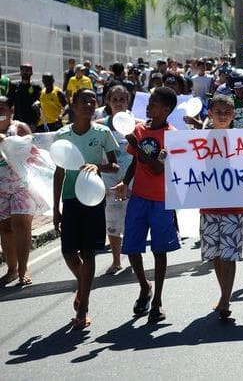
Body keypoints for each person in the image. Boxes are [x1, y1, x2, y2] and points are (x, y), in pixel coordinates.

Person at [53, 89, 119, 330]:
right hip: (70, 200)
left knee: (89, 252)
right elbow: (59, 173)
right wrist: (56, 209)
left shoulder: (103, 132)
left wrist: (97, 165)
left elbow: (113, 165)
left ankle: (83, 307)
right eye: (84, 100)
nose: (89, 104)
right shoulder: (62, 135)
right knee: (69, 252)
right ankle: (84, 285)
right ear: (73, 104)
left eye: (93, 100)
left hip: (93, 199)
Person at [113, 87, 180, 323]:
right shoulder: (139, 130)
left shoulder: (172, 135)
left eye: (154, 103)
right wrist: (124, 181)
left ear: (166, 110)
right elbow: (135, 163)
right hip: (139, 197)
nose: (149, 106)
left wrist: (137, 144)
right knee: (132, 247)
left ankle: (158, 301)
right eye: (149, 102)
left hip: (162, 200)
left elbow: (157, 167)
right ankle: (144, 286)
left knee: (159, 250)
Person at [199, 94, 243, 320]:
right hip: (208, 206)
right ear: (209, 114)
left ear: (234, 115)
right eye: (218, 112)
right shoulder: (198, 140)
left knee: (229, 253)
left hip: (233, 205)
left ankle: (225, 299)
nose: (223, 116)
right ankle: (224, 293)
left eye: (227, 112)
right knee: (215, 254)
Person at [96, 85, 138, 275]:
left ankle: (134, 258)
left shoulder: (137, 124)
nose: (119, 103)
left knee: (134, 220)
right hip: (109, 181)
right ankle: (116, 260)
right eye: (115, 100)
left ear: (127, 102)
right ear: (108, 102)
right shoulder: (99, 126)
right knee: (112, 221)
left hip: (134, 180)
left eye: (122, 99)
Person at [0, 96, 34, 286]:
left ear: (11, 109)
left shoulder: (19, 128)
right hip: (0, 187)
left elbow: (33, 149)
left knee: (21, 224)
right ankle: (11, 270)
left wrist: (8, 142)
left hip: (21, 184)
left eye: (2, 108)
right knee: (5, 228)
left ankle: (23, 269)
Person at [9, 63, 42, 129]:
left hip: (32, 122)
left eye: (27, 70)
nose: (25, 72)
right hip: (17, 122)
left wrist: (38, 103)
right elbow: (9, 103)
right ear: (20, 72)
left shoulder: (36, 87)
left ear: (31, 72)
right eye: (23, 70)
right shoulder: (14, 86)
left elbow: (41, 101)